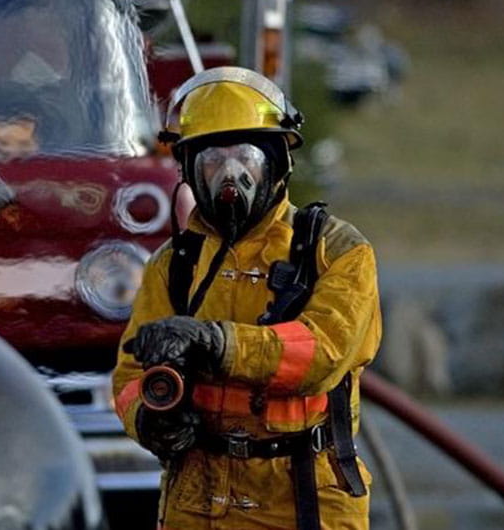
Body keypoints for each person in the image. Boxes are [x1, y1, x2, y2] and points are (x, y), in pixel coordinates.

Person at [112, 67, 381, 529]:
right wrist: (148, 418)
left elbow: (323, 353)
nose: (230, 176)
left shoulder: (335, 251)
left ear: (277, 161)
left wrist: (217, 344)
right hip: (197, 502)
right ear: (190, 172)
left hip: (302, 499)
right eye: (213, 161)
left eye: (246, 158)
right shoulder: (174, 264)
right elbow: (130, 375)